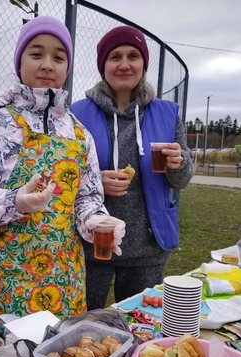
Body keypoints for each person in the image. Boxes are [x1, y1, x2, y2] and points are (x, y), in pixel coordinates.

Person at [0, 16, 125, 319]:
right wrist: (14, 201)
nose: (47, 65)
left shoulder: (79, 133)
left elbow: (87, 199)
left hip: (64, 280)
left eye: (58, 56)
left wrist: (97, 222)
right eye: (36, 54)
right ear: (20, 62)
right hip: (3, 281)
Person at [70, 25, 195, 310]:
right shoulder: (78, 113)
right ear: (103, 66)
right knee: (85, 327)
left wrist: (179, 163)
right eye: (115, 57)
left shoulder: (167, 113)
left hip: (148, 247)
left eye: (133, 56)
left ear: (143, 64)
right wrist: (95, 181)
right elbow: (64, 178)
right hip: (92, 245)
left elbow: (182, 179)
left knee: (142, 327)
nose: (124, 64)